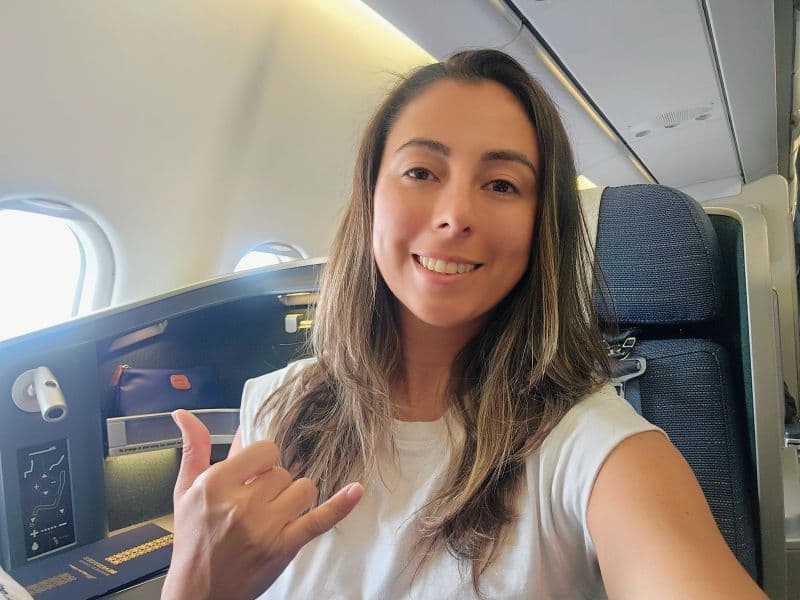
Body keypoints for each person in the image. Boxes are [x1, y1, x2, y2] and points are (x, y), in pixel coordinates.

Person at [162, 49, 767, 599]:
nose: (455, 216)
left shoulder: (598, 451)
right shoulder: (274, 407)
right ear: (371, 196)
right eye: (421, 172)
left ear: (541, 230)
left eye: (502, 185)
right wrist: (193, 584)